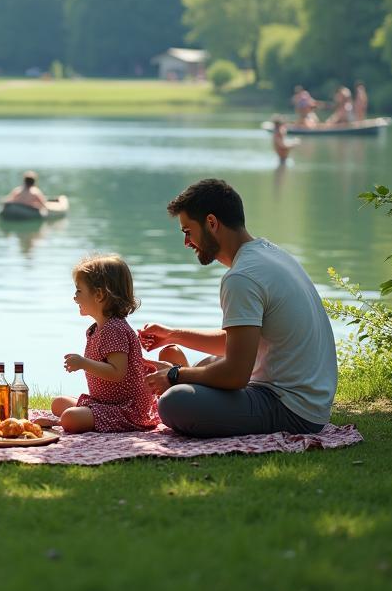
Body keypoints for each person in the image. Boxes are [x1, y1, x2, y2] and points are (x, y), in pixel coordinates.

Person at [140, 178, 337, 437]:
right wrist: (173, 334)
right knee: (206, 365)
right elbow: (238, 343)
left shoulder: (241, 277)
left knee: (174, 402)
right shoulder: (270, 254)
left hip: (291, 410)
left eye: (187, 231)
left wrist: (176, 375)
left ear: (211, 223)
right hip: (311, 404)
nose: (187, 242)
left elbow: (235, 375)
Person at [45, 254, 158, 434]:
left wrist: (83, 363)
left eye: (79, 291)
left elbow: (117, 372)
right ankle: (81, 414)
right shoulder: (96, 329)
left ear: (99, 295)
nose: (75, 298)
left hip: (127, 409)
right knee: (58, 403)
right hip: (105, 403)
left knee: (69, 418)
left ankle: (61, 422)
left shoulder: (115, 329)